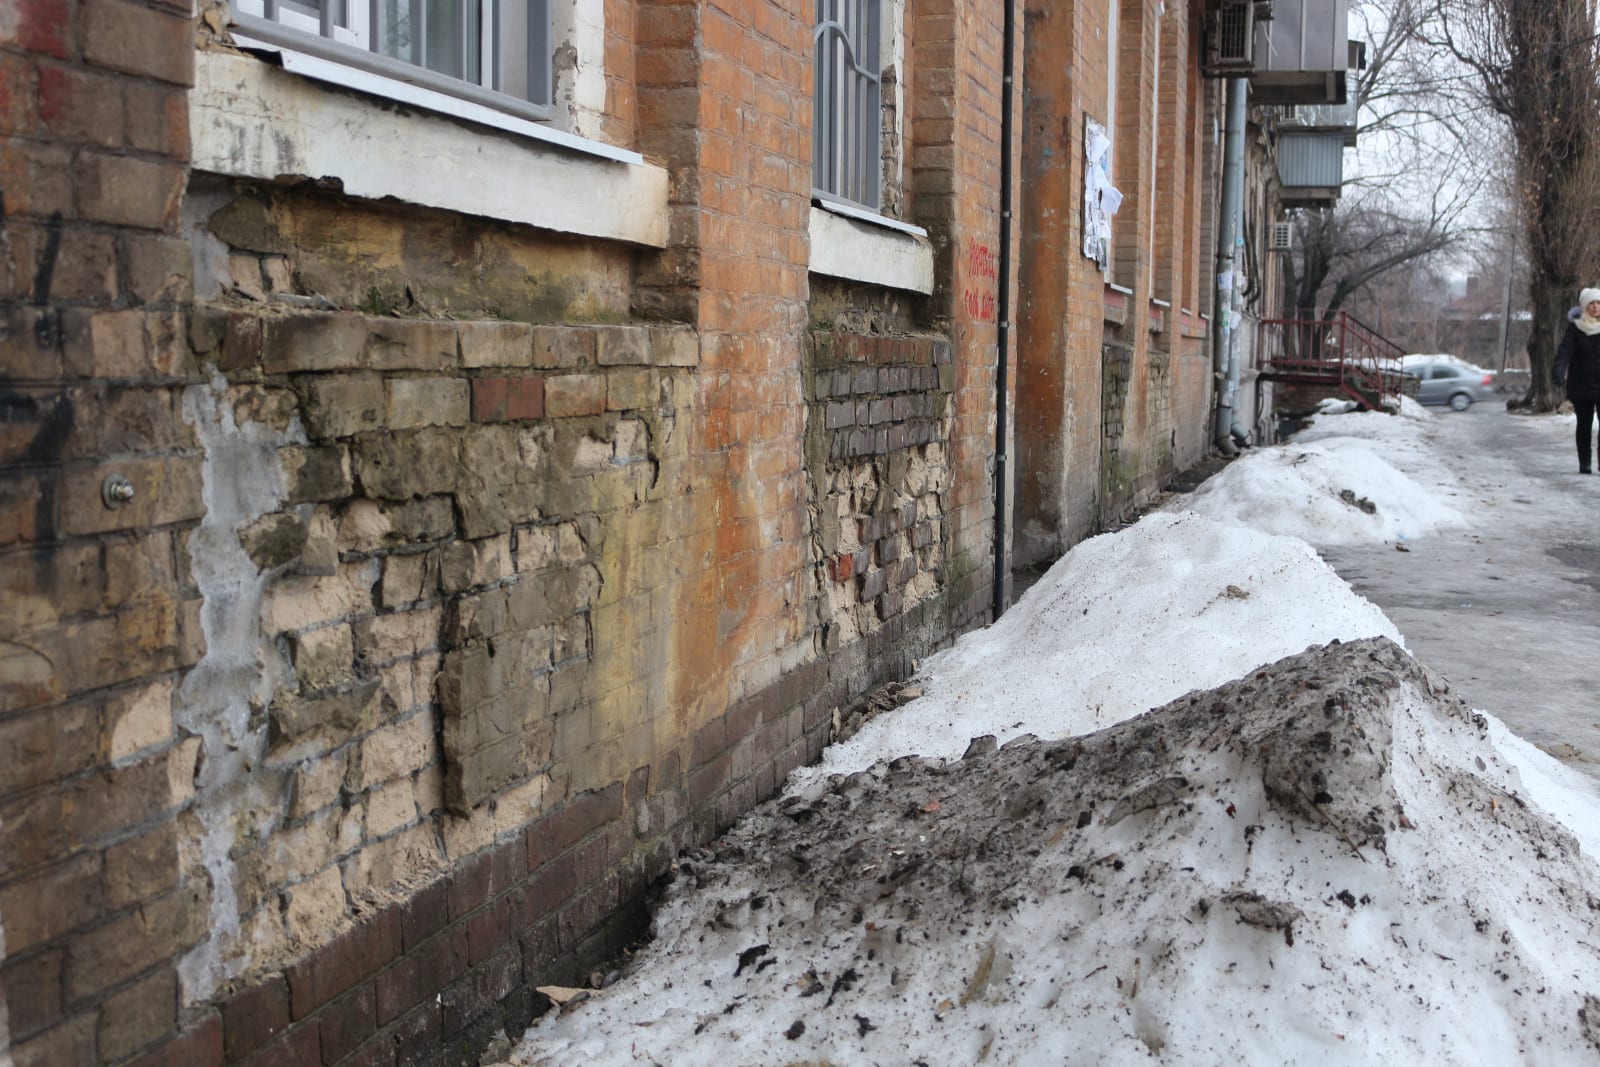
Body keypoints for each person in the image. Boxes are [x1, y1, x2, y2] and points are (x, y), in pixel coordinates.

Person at [1554, 287, 1600, 473]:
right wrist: (1559, 370)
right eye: (1592, 304)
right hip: (1581, 383)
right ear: (1585, 307)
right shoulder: (1575, 328)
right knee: (1584, 424)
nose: (1596, 307)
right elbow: (1564, 351)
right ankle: (1585, 462)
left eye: (1598, 303)